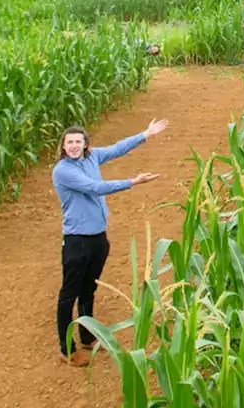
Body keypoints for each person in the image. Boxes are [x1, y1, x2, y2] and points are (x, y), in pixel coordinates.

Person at [51, 118, 168, 366]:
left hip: (98, 238)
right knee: (69, 294)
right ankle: (66, 348)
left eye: (78, 141)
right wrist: (133, 182)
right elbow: (94, 188)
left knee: (88, 289)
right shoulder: (63, 170)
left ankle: (87, 336)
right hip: (77, 240)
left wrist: (145, 134)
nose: (73, 146)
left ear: (85, 144)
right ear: (63, 146)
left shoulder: (91, 157)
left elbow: (117, 148)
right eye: (69, 142)